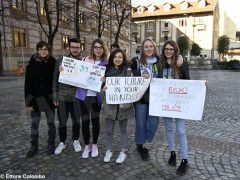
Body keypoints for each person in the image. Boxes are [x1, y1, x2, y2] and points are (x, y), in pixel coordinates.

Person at [158, 40, 190, 175]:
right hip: (166, 103)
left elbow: (188, 81)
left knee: (181, 131)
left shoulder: (182, 62)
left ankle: (185, 160)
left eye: (171, 49)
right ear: (164, 50)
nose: (168, 51)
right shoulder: (161, 64)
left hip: (179, 103)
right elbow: (157, 81)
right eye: (166, 49)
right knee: (169, 129)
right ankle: (172, 153)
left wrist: (181, 66)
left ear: (175, 50)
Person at [75, 38, 108, 158]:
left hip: (96, 97)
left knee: (95, 122)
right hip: (83, 96)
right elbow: (76, 74)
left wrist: (105, 81)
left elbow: (110, 81)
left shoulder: (106, 63)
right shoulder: (85, 60)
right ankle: (86, 146)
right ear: (92, 48)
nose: (98, 50)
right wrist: (63, 71)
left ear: (103, 49)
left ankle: (94, 145)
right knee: (84, 122)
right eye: (96, 47)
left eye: (100, 47)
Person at [100, 49, 134, 164]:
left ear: (123, 58)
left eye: (120, 57)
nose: (117, 59)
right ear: (112, 58)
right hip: (109, 106)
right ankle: (109, 150)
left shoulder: (128, 71)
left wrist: (126, 103)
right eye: (115, 57)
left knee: (123, 130)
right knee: (109, 130)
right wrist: (102, 89)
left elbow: (131, 90)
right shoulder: (106, 71)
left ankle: (123, 150)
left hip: (123, 106)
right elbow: (99, 86)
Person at [130, 38, 161, 161]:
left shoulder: (159, 61)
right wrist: (140, 75)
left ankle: (145, 140)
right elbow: (130, 77)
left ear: (154, 48)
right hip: (140, 98)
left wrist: (180, 58)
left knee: (153, 122)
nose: (148, 49)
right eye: (146, 46)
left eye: (151, 46)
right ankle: (141, 146)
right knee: (141, 123)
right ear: (142, 48)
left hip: (156, 98)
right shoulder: (136, 61)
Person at [24, 41, 56, 157]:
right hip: (35, 99)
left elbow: (56, 81)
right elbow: (27, 84)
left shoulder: (53, 62)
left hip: (49, 99)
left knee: (51, 123)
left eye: (46, 49)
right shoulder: (32, 63)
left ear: (49, 50)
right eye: (41, 49)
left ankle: (51, 145)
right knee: (34, 125)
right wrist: (28, 102)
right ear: (37, 50)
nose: (44, 51)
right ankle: (34, 146)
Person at [53, 38, 82, 155]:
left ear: (80, 48)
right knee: (62, 122)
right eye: (73, 47)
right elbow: (54, 79)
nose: (75, 49)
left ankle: (75, 140)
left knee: (76, 122)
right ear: (68, 48)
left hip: (76, 97)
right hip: (62, 97)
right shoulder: (61, 61)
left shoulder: (83, 62)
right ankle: (62, 142)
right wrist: (55, 97)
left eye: (77, 47)